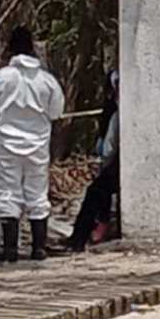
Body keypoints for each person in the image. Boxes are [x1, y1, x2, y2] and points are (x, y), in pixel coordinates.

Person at [0, 27, 65, 262]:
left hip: (7, 144)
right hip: (38, 145)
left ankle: (10, 250)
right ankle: (39, 248)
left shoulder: (0, 78)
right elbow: (56, 111)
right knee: (37, 193)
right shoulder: (47, 81)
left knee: (8, 193)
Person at [69, 72, 119, 251]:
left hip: (114, 164)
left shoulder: (116, 115)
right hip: (114, 163)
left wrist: (105, 162)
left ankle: (78, 239)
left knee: (95, 193)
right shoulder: (115, 113)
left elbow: (108, 149)